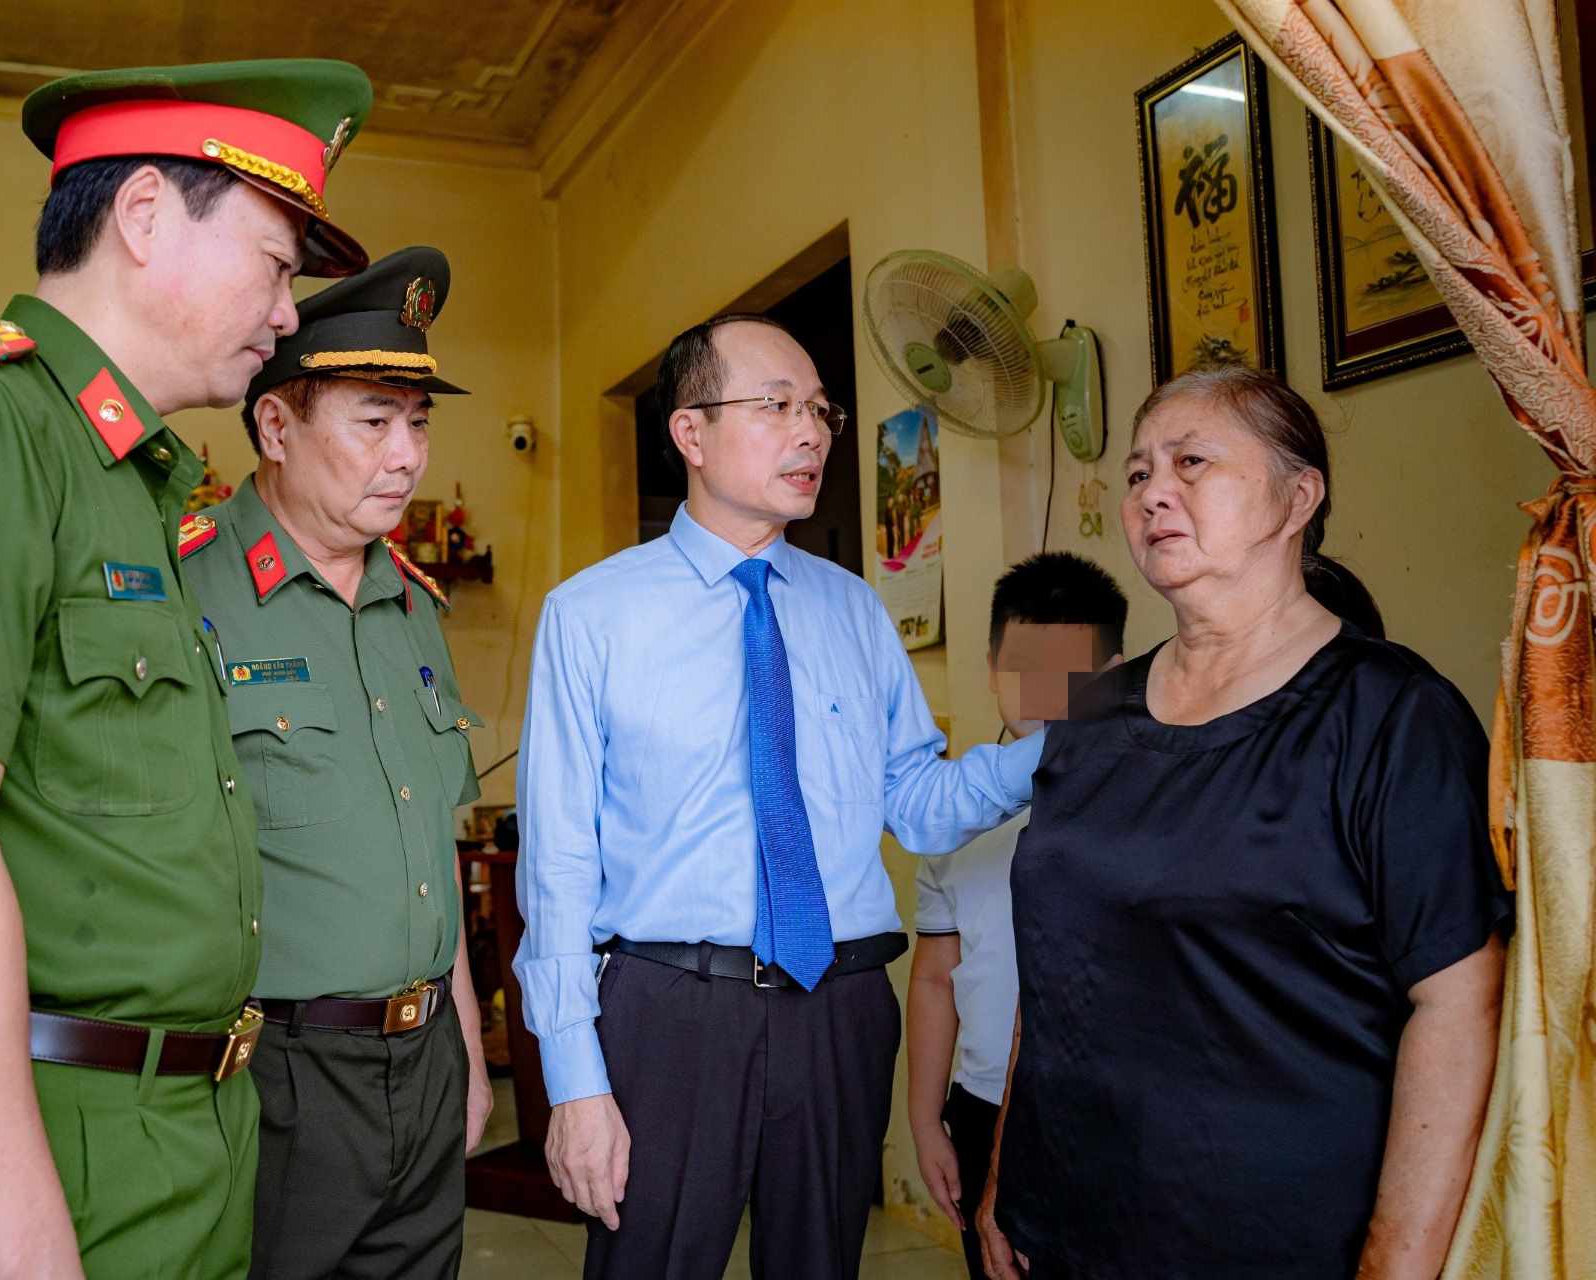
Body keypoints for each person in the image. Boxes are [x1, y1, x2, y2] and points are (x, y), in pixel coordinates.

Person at [0, 58, 374, 1277]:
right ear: (145, 215)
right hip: (49, 1151)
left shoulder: (131, 487)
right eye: (274, 263)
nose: (285, 315)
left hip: (182, 1137)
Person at [516, 314, 1045, 1280]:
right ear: (691, 432)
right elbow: (556, 865)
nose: (811, 432)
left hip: (839, 1006)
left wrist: (1060, 750)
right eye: (776, 407)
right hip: (671, 1009)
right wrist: (574, 1081)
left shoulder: (851, 607)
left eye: (820, 410)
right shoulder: (592, 616)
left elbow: (916, 801)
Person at [976, 365, 1511, 1279]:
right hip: (1061, 1220)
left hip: (1272, 1235)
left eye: (1192, 462)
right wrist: (1004, 1176)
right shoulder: (1091, 719)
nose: (1155, 493)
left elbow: (1460, 1002)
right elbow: (1057, 953)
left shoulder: (1393, 717)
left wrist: (1398, 1261)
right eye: (1140, 473)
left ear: (1298, 495)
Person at [180, 246, 491, 1278]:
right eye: (373, 421)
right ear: (276, 424)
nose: (406, 456)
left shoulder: (414, 608)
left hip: (429, 1054)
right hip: (275, 1068)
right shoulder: (188, 590)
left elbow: (433, 854)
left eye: (419, 424)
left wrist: (471, 1057)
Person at [905, 552, 1125, 1280]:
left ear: (1114, 670)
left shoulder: (1145, 810)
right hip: (979, 1103)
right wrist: (924, 1119)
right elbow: (936, 979)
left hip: (1112, 1108)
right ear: (993, 665)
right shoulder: (952, 818)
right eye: (1024, 666)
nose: (1043, 693)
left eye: (1071, 672)